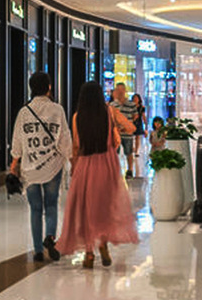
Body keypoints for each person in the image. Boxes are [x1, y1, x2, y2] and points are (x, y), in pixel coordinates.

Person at [57, 82, 139, 268]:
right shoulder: (109, 112)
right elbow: (131, 128)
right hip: (107, 164)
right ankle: (103, 245)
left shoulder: (77, 117)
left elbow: (76, 146)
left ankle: (89, 254)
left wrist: (74, 168)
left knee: (87, 210)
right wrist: (116, 130)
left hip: (85, 166)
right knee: (104, 208)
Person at [9, 72, 72, 262]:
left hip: (30, 168)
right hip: (53, 165)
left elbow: (17, 140)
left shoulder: (24, 112)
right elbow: (64, 138)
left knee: (35, 208)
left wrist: (14, 162)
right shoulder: (57, 110)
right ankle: (50, 237)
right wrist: (71, 158)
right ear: (49, 87)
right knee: (51, 204)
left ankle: (37, 251)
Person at [110, 83, 138, 177]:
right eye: (118, 90)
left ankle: (130, 170)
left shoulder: (131, 104)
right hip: (116, 133)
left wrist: (128, 125)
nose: (120, 92)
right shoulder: (113, 105)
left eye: (122, 90)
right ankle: (114, 170)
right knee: (114, 153)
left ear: (125, 90)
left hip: (127, 133)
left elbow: (135, 116)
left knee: (129, 152)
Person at [131, 94, 147, 172]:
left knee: (137, 137)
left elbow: (143, 116)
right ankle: (132, 149)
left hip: (138, 123)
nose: (135, 100)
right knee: (131, 137)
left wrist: (145, 124)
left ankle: (136, 151)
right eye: (134, 98)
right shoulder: (130, 106)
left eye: (137, 98)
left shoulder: (141, 108)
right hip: (131, 123)